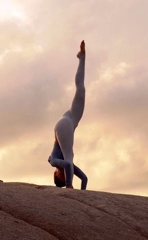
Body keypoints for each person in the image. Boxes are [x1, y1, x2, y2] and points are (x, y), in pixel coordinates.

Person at [48, 40, 88, 190]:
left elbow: (66, 164)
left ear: (57, 175)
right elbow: (84, 178)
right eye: (66, 178)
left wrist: (68, 184)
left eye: (63, 177)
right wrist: (83, 193)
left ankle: (70, 185)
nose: (65, 174)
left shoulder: (55, 162)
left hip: (64, 125)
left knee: (69, 159)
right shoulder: (66, 163)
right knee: (81, 90)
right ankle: (82, 58)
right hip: (70, 121)